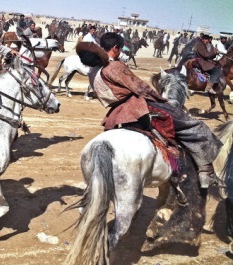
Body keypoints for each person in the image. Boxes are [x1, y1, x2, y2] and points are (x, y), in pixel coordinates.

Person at [87, 32, 223, 190]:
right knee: (194, 126)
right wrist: (161, 100)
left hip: (115, 112)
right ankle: (206, 172)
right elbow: (139, 87)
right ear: (115, 48)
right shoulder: (114, 66)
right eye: (121, 48)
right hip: (136, 107)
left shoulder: (94, 68)